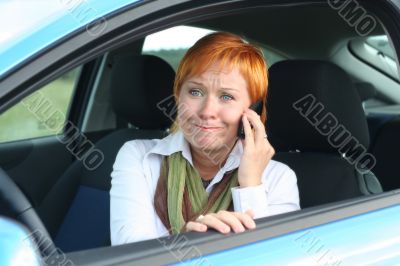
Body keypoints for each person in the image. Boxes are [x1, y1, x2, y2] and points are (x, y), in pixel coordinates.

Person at [110, 32, 300, 245]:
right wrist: (190, 243)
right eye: (195, 92)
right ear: (178, 95)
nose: (207, 111)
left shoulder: (279, 178)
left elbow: (272, 256)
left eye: (226, 97)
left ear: (252, 110)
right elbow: (129, 252)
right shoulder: (138, 157)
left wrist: (251, 186)